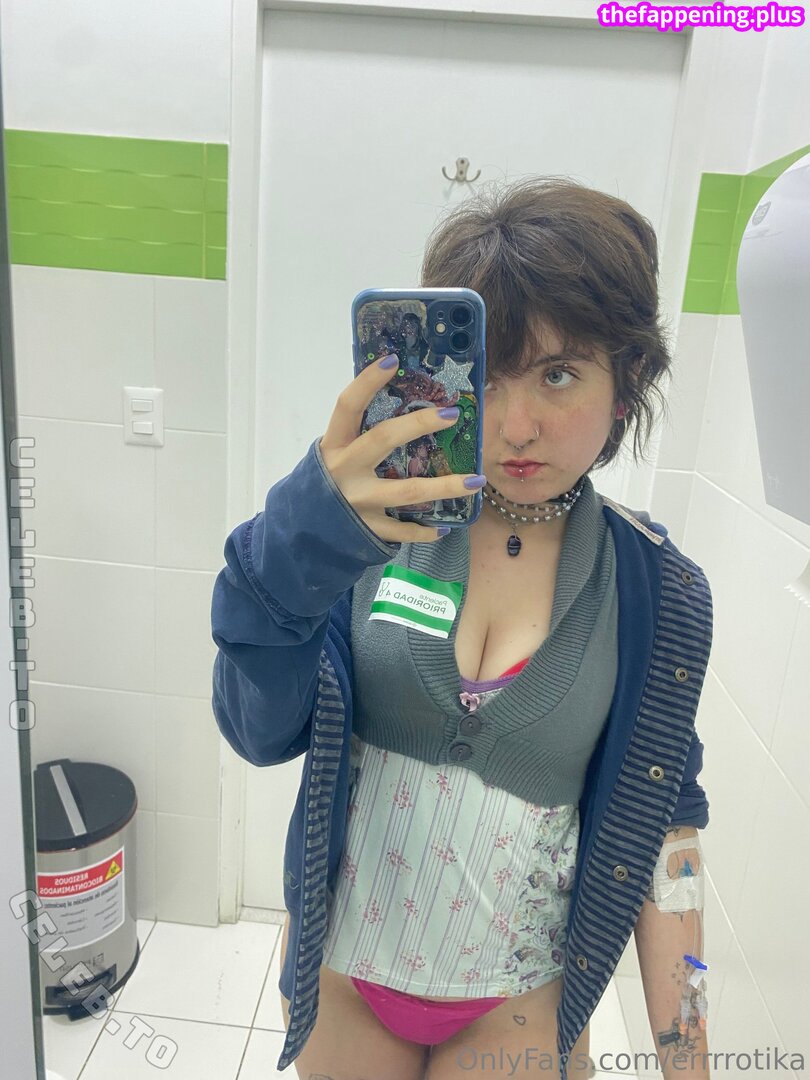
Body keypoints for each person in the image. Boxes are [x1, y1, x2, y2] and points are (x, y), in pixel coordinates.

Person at [210, 176, 712, 1080]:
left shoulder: (656, 590)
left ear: (626, 382)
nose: (515, 425)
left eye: (559, 374)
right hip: (345, 978)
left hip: (520, 998)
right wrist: (299, 542)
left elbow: (667, 835)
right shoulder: (366, 531)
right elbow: (258, 732)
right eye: (489, 375)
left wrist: (691, 1058)